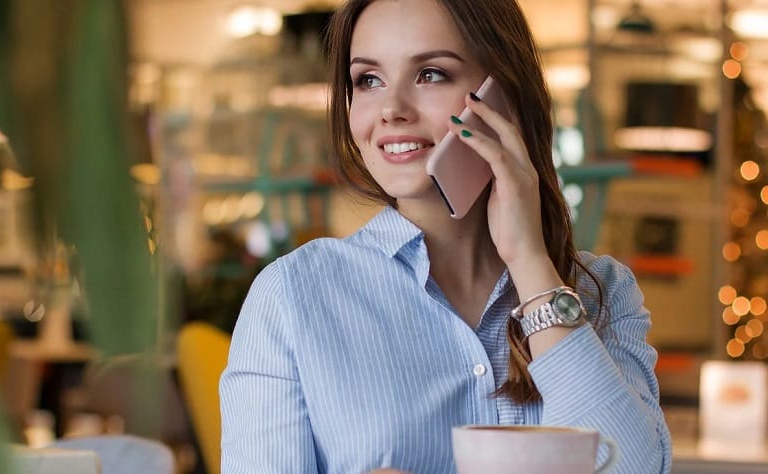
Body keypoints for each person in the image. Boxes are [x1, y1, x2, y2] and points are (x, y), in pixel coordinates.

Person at [219, 0, 672, 472]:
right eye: (368, 80)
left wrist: (530, 262)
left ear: (502, 95)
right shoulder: (293, 295)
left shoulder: (602, 291)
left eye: (431, 73)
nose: (391, 110)